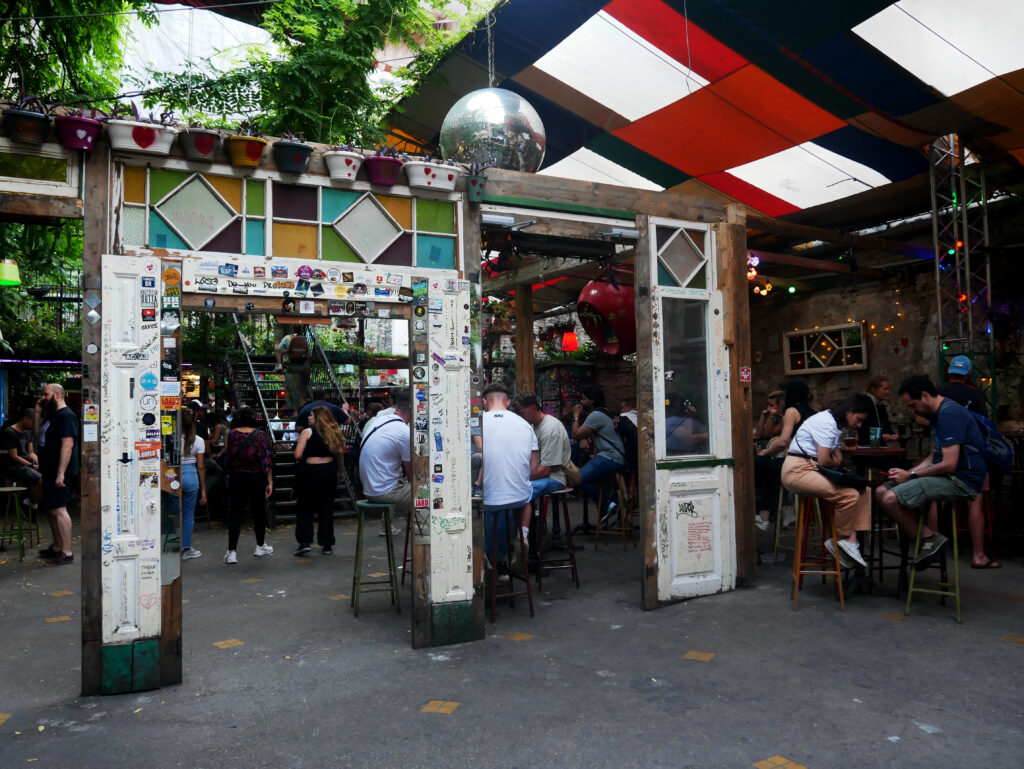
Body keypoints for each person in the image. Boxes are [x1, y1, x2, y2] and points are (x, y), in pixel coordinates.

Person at [876, 376, 987, 569]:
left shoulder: (949, 414)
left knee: (889, 498)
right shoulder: (937, 415)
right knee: (880, 492)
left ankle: (930, 539)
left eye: (913, 405)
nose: (912, 411)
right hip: (946, 475)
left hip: (961, 479)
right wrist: (907, 472)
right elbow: (933, 457)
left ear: (926, 395)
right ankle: (930, 538)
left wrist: (911, 476)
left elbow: (949, 464)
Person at [780, 394, 874, 569]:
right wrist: (836, 461)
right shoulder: (827, 422)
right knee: (850, 495)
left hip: (810, 468)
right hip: (797, 471)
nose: (859, 425)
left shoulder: (832, 423)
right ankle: (842, 539)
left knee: (863, 490)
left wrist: (835, 456)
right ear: (849, 411)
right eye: (858, 420)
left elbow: (825, 457)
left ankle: (851, 541)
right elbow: (824, 460)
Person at [481, 383, 539, 573]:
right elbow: (533, 468)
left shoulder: (477, 423)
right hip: (518, 497)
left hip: (487, 501)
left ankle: (484, 550)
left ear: (484, 402)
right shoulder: (525, 425)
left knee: (482, 503)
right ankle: (522, 535)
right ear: (508, 402)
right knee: (525, 496)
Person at [221, 407, 274, 564]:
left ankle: (232, 552)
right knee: (258, 511)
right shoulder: (260, 435)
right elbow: (265, 459)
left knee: (235, 513)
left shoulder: (231, 434)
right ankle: (260, 545)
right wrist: (269, 481)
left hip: (237, 476)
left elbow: (228, 455)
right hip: (256, 477)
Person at [293, 406, 346, 556]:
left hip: (310, 471)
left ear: (317, 418)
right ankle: (327, 543)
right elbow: (340, 454)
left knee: (305, 506)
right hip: (328, 470)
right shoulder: (334, 432)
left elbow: (297, 454)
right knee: (326, 508)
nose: (308, 417)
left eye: (311, 415)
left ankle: (305, 541)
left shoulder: (307, 432)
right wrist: (340, 472)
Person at [358, 392, 411, 537]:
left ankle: (391, 525)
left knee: (399, 481)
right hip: (383, 492)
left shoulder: (380, 420)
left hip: (370, 488)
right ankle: (430, 542)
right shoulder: (404, 432)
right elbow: (412, 473)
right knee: (433, 493)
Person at [37, 383, 79, 565]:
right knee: (51, 508)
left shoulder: (66, 416)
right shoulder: (53, 416)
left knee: (60, 508)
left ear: (57, 395)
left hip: (57, 470)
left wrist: (61, 473)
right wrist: (38, 413)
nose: (43, 398)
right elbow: (38, 436)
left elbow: (67, 445)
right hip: (48, 468)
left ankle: (67, 551)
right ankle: (57, 546)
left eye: (46, 395)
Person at [571, 385, 625, 523]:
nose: (581, 402)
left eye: (583, 399)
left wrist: (576, 417)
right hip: (613, 456)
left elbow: (576, 434)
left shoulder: (595, 415)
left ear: (592, 400)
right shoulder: (605, 412)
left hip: (610, 457)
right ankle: (606, 505)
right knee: (588, 479)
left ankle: (610, 499)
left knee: (576, 479)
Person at [761, 380, 815, 459]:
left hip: (797, 459)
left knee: (754, 461)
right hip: (810, 458)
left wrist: (766, 452)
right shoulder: (812, 412)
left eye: (786, 393)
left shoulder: (791, 412)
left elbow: (782, 443)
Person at [1, 407, 42, 506]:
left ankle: (31, 502)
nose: (33, 426)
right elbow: (14, 456)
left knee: (47, 474)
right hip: (14, 465)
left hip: (26, 463)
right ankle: (28, 503)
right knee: (40, 479)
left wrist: (39, 463)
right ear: (25, 419)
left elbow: (31, 452)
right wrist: (31, 465)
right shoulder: (10, 432)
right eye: (32, 422)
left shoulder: (28, 432)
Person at [179, 410, 207, 561]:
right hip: (191, 475)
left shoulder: (171, 438)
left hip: (173, 475)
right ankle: (187, 548)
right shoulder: (199, 441)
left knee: (173, 513)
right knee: (188, 515)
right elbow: (201, 466)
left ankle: (172, 546)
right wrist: (203, 490)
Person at [857, 376, 900, 446]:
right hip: (866, 449)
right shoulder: (864, 405)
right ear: (874, 389)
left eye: (888, 389)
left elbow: (886, 428)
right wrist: (881, 436)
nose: (888, 392)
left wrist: (893, 435)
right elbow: (862, 432)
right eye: (885, 389)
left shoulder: (881, 406)